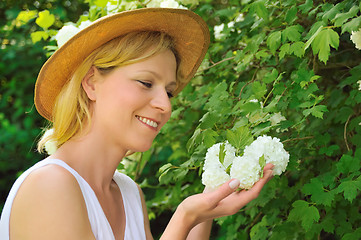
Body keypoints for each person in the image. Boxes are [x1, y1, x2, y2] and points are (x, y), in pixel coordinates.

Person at [0, 8, 274, 240]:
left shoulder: (129, 193)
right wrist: (184, 217)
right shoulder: (50, 186)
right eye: (146, 83)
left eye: (169, 91)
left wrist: (204, 213)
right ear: (91, 82)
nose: (165, 106)